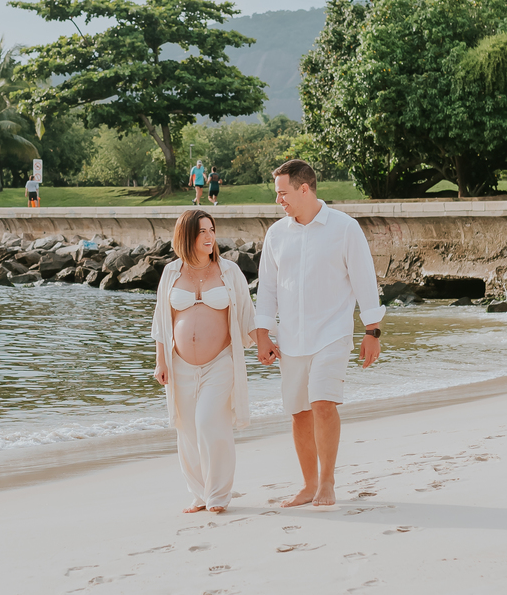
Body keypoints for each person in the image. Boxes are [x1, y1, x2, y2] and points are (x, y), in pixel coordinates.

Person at [255, 159, 383, 509]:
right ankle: (309, 485)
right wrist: (262, 333)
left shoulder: (344, 228)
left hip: (332, 333)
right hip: (291, 338)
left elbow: (364, 281)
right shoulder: (277, 234)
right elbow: (266, 288)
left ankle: (327, 482)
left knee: (323, 405)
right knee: (299, 413)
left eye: (282, 193)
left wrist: (372, 331)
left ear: (304, 189)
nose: (278, 200)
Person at [152, 209, 257, 515]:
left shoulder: (229, 272)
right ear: (186, 235)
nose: (210, 237)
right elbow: (161, 319)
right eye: (202, 232)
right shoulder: (171, 273)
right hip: (179, 364)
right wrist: (161, 361)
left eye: (211, 230)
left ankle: (219, 495)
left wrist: (265, 343)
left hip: (220, 362)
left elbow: (247, 314)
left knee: (209, 422)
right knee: (186, 429)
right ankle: (199, 493)